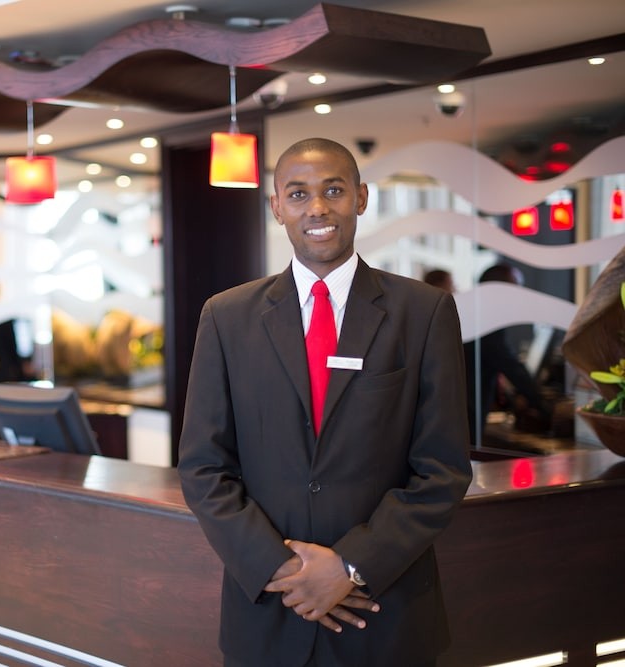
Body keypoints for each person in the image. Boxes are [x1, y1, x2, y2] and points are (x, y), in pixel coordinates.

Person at [177, 138, 472, 666]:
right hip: (268, 614)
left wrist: (350, 567)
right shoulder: (226, 317)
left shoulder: (423, 312)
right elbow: (203, 466)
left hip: (385, 615)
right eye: (298, 194)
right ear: (277, 208)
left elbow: (442, 469)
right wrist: (285, 570)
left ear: (360, 198)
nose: (317, 207)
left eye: (333, 190)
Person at [464, 263, 552, 440]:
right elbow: (509, 364)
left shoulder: (475, 313)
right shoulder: (483, 319)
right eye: (515, 291)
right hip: (464, 418)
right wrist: (544, 407)